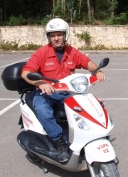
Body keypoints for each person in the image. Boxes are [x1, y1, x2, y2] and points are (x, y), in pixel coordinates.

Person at [21, 18, 105, 163]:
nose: (56, 38)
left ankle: (92, 137)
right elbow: (25, 72)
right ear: (49, 37)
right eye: (52, 36)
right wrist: (41, 83)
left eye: (59, 35)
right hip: (45, 93)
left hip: (66, 92)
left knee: (92, 105)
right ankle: (59, 142)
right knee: (42, 109)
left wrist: (97, 71)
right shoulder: (41, 53)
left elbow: (87, 62)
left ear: (65, 35)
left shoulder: (71, 51)